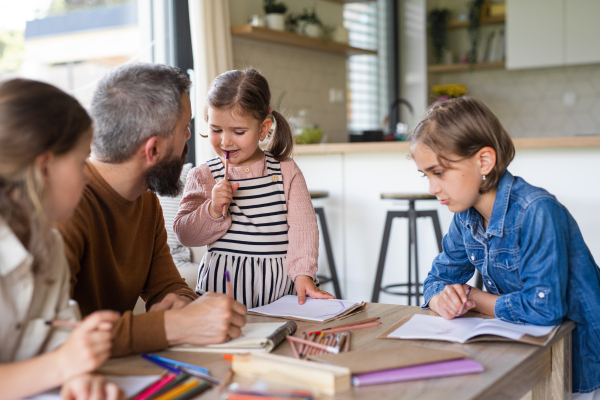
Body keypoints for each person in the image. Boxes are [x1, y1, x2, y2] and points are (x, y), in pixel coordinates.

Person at [411, 97, 600, 398]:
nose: (432, 189)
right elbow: (436, 280)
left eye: (439, 172)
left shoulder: (536, 210)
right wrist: (441, 299)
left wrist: (471, 297)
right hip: (527, 350)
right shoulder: (465, 217)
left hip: (580, 364)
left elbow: (543, 310)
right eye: (426, 176)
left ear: (484, 161)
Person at [58, 63, 246, 357]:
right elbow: (57, 337)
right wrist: (172, 326)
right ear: (154, 150)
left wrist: (180, 304)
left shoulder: (145, 200)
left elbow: (167, 285)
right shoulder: (64, 207)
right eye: (185, 128)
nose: (188, 137)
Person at [0, 78, 123, 400]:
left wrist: (78, 379)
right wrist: (60, 367)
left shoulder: (51, 246)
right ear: (44, 168)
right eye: (81, 161)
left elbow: (59, 345)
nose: (87, 175)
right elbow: (58, 362)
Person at [173, 69, 333, 307]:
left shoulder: (286, 171)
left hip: (279, 291)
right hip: (222, 292)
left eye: (238, 132)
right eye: (216, 129)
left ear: (263, 128)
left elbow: (304, 228)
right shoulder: (204, 175)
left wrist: (303, 275)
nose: (225, 141)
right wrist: (213, 210)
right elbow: (185, 234)